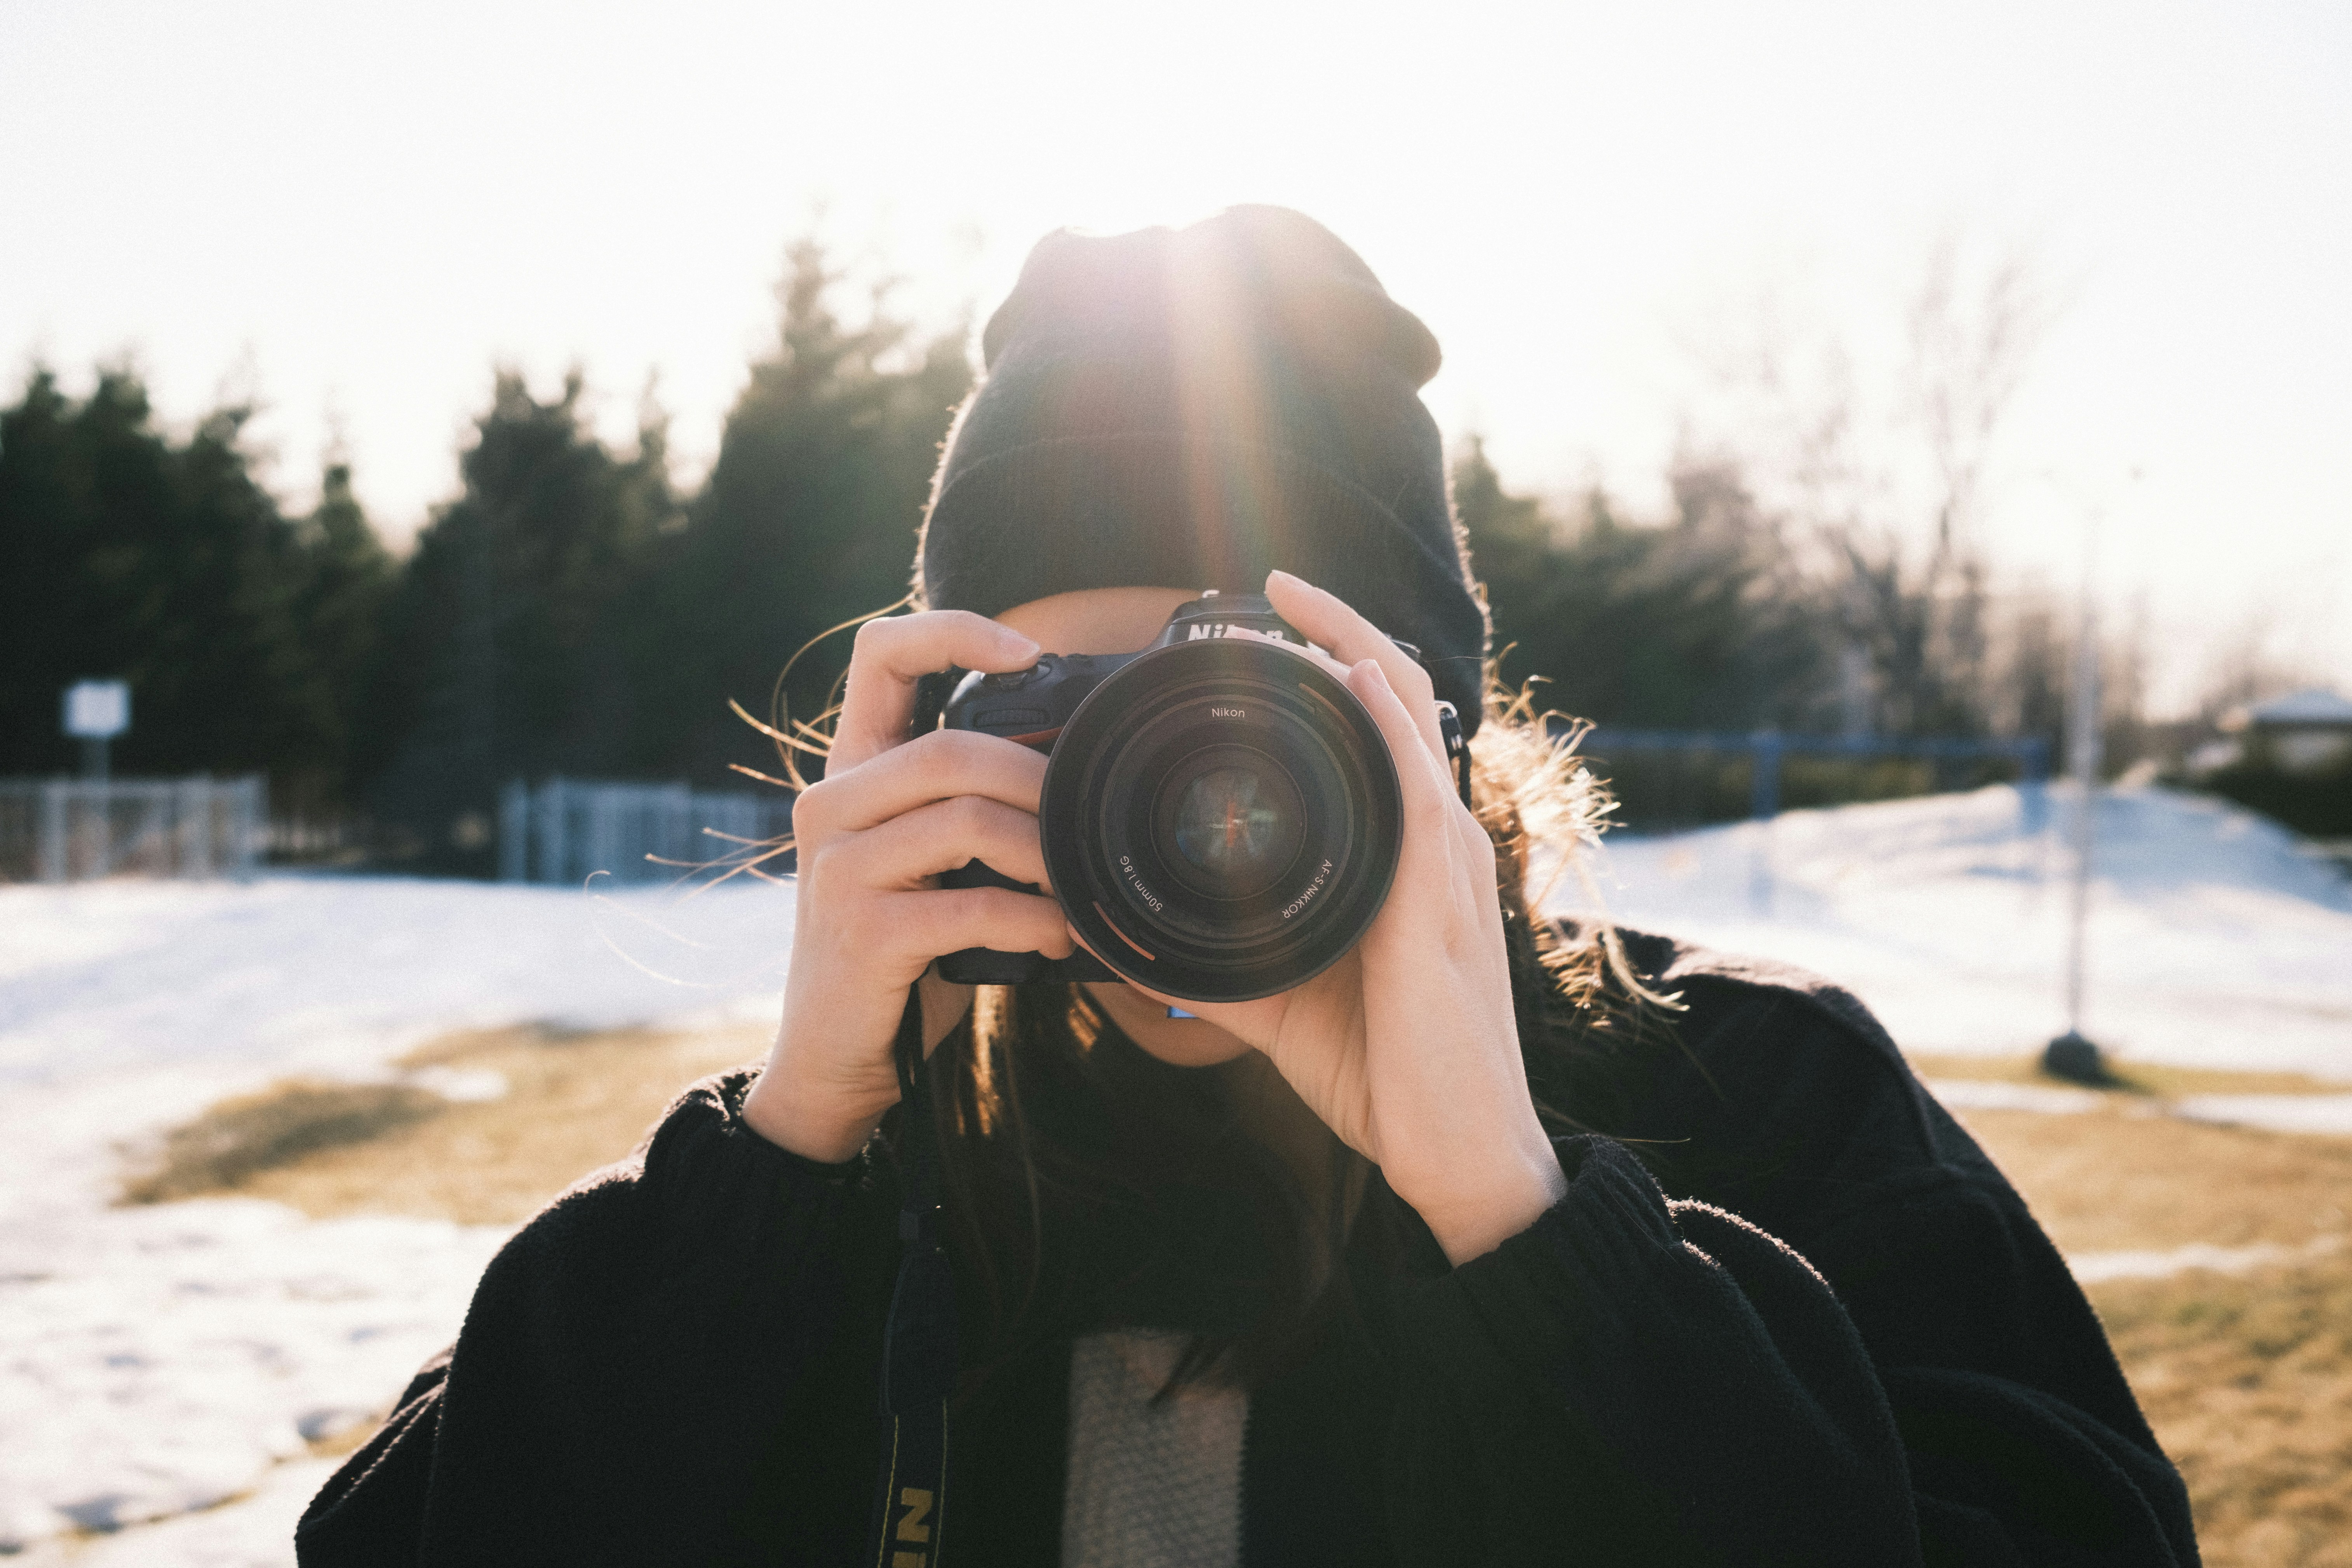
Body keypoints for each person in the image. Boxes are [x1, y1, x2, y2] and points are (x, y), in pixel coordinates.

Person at [297, 207, 2197, 1566]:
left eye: (1249, 722)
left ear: (1429, 745)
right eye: (1066, 719)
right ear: (931, 729)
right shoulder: (873, 1157)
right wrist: (787, 1153)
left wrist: (1525, 1226)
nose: (1165, 803)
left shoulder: (1754, 1100)